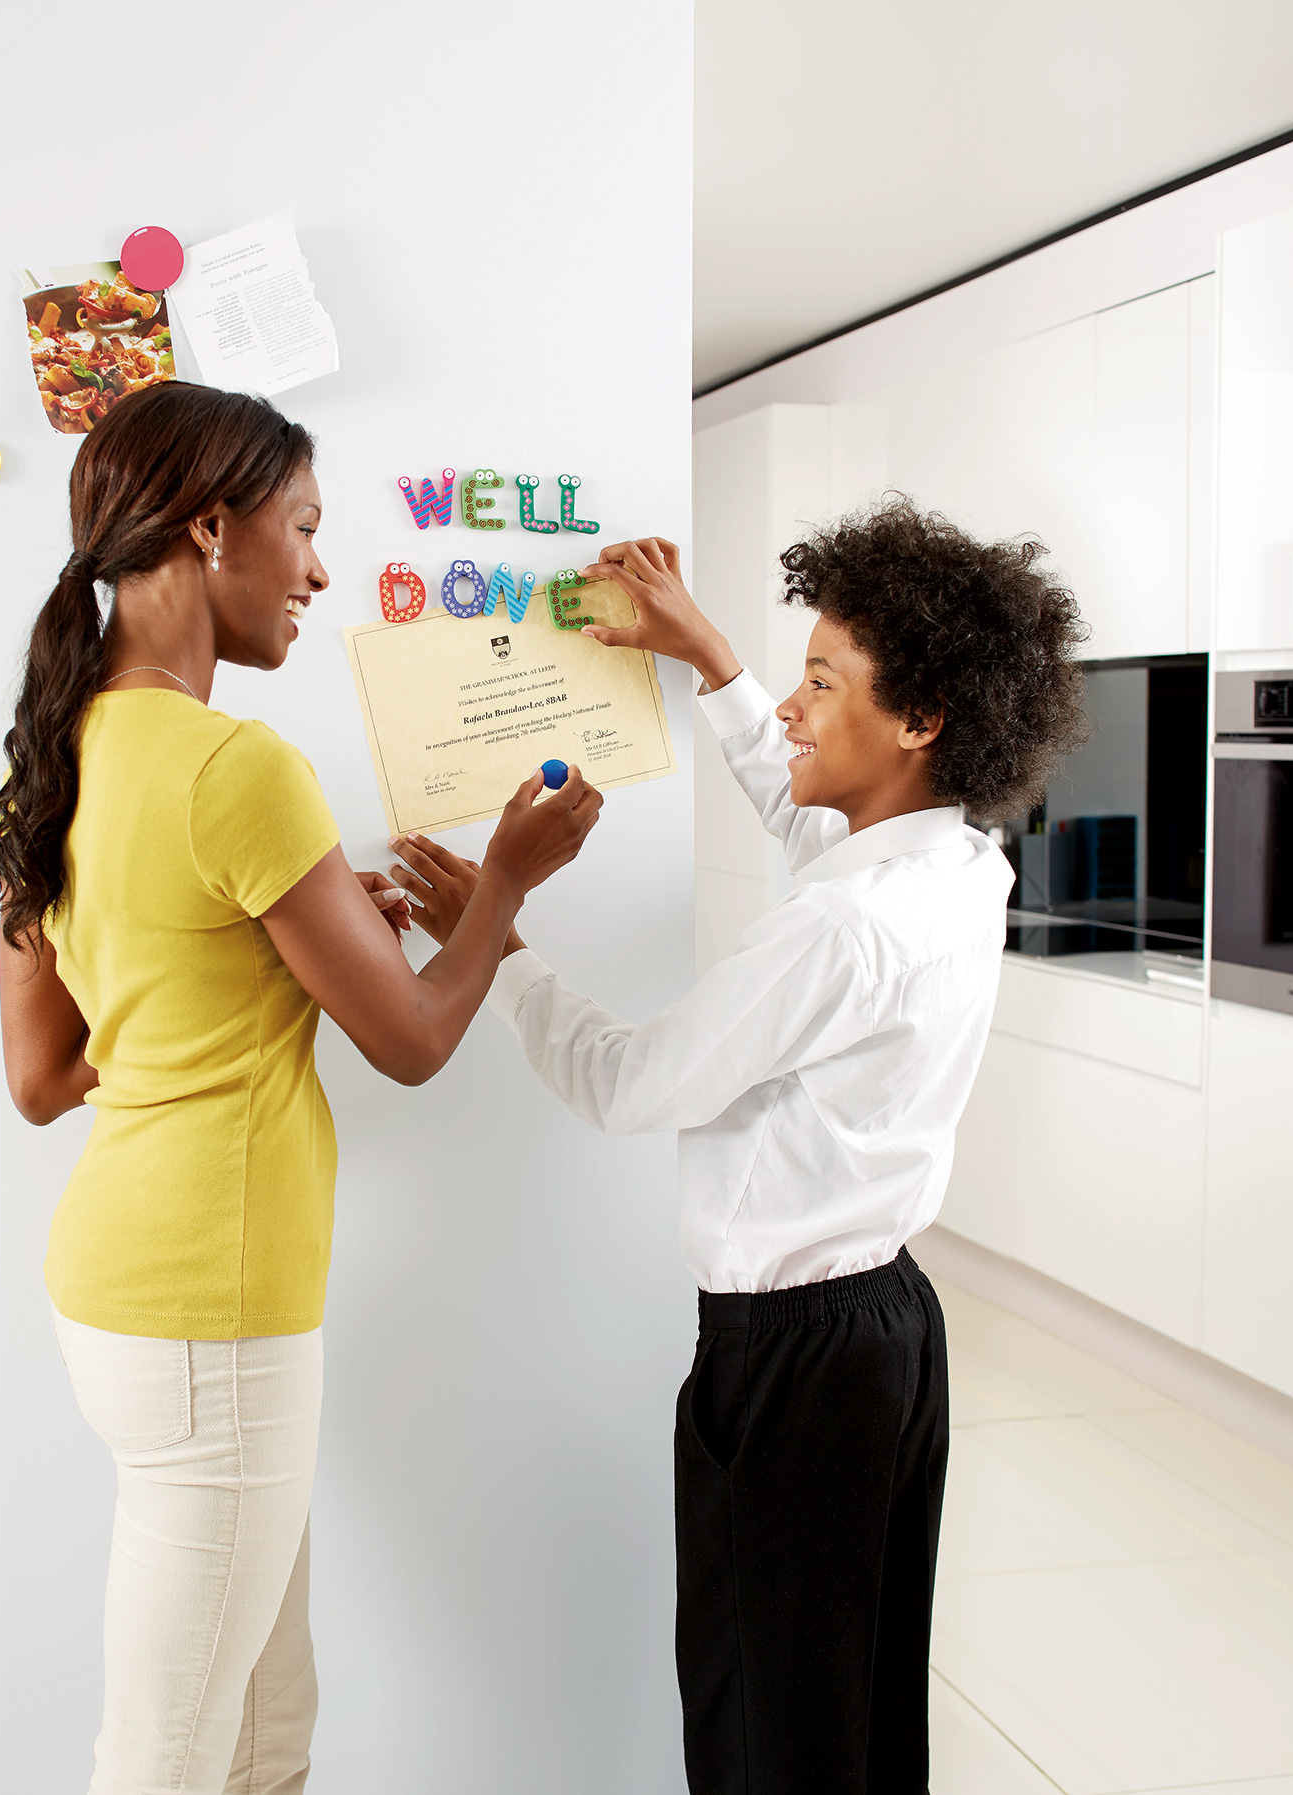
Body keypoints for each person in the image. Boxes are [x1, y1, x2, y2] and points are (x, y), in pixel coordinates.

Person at [385, 499, 1087, 1795]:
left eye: (822, 681)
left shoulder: (844, 932)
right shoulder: (953, 865)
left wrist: (501, 935)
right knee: (851, 1713)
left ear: (920, 720)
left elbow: (625, 1080)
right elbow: (814, 810)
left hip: (798, 1366)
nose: (798, 713)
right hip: (888, 1331)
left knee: (766, 1725)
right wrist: (707, 651)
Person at [0, 380, 601, 1795]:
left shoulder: (56, 751)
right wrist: (504, 880)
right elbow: (412, 1041)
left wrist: (263, 969)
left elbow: (41, 1075)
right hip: (216, 1314)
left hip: (123, 1295)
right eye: (306, 527)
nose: (321, 570)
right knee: (169, 1755)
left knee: (265, 1723)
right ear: (213, 527)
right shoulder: (235, 764)